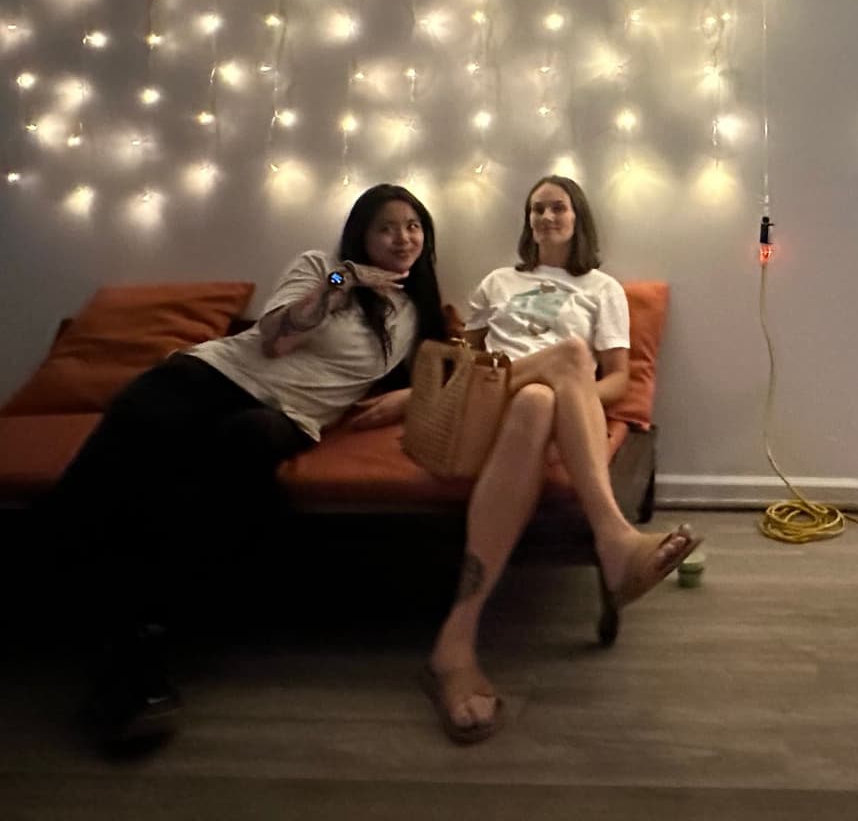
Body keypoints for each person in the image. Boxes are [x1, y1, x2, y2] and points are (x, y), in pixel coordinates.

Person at [46, 182, 447, 748]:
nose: (402, 237)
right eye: (387, 226)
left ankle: (131, 635)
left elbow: (446, 371)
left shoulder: (417, 312)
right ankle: (113, 624)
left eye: (413, 226)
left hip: (285, 416)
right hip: (214, 376)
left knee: (237, 448)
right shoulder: (321, 268)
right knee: (135, 424)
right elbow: (275, 338)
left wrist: (408, 397)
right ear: (361, 234)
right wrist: (343, 281)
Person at [423, 174, 700, 744]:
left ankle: (455, 644)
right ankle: (615, 541)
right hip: (492, 396)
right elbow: (466, 368)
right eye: (536, 209)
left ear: (578, 219)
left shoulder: (603, 290)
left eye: (557, 208)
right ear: (527, 222)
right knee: (567, 358)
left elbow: (619, 381)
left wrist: (569, 388)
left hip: (550, 409)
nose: (546, 217)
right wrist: (564, 367)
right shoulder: (498, 281)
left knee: (542, 396)